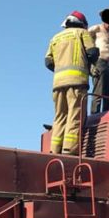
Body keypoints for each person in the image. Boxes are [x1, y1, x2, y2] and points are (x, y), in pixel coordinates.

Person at [45, 10, 99, 155]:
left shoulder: (55, 38)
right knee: (75, 115)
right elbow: (93, 53)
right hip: (77, 81)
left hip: (58, 84)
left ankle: (54, 150)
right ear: (82, 24)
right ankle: (70, 150)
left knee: (60, 116)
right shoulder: (82, 33)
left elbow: (48, 62)